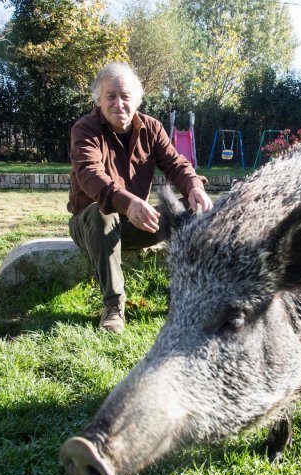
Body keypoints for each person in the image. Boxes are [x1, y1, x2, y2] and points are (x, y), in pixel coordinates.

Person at [68, 62, 213, 334]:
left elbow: (176, 164)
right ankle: (114, 305)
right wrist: (129, 203)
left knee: (194, 210)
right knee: (102, 212)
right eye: (111, 96)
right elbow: (90, 175)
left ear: (137, 99)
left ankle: (192, 292)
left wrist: (194, 188)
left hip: (137, 224)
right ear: (98, 99)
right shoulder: (85, 129)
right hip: (90, 225)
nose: (119, 103)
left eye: (126, 96)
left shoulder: (152, 128)